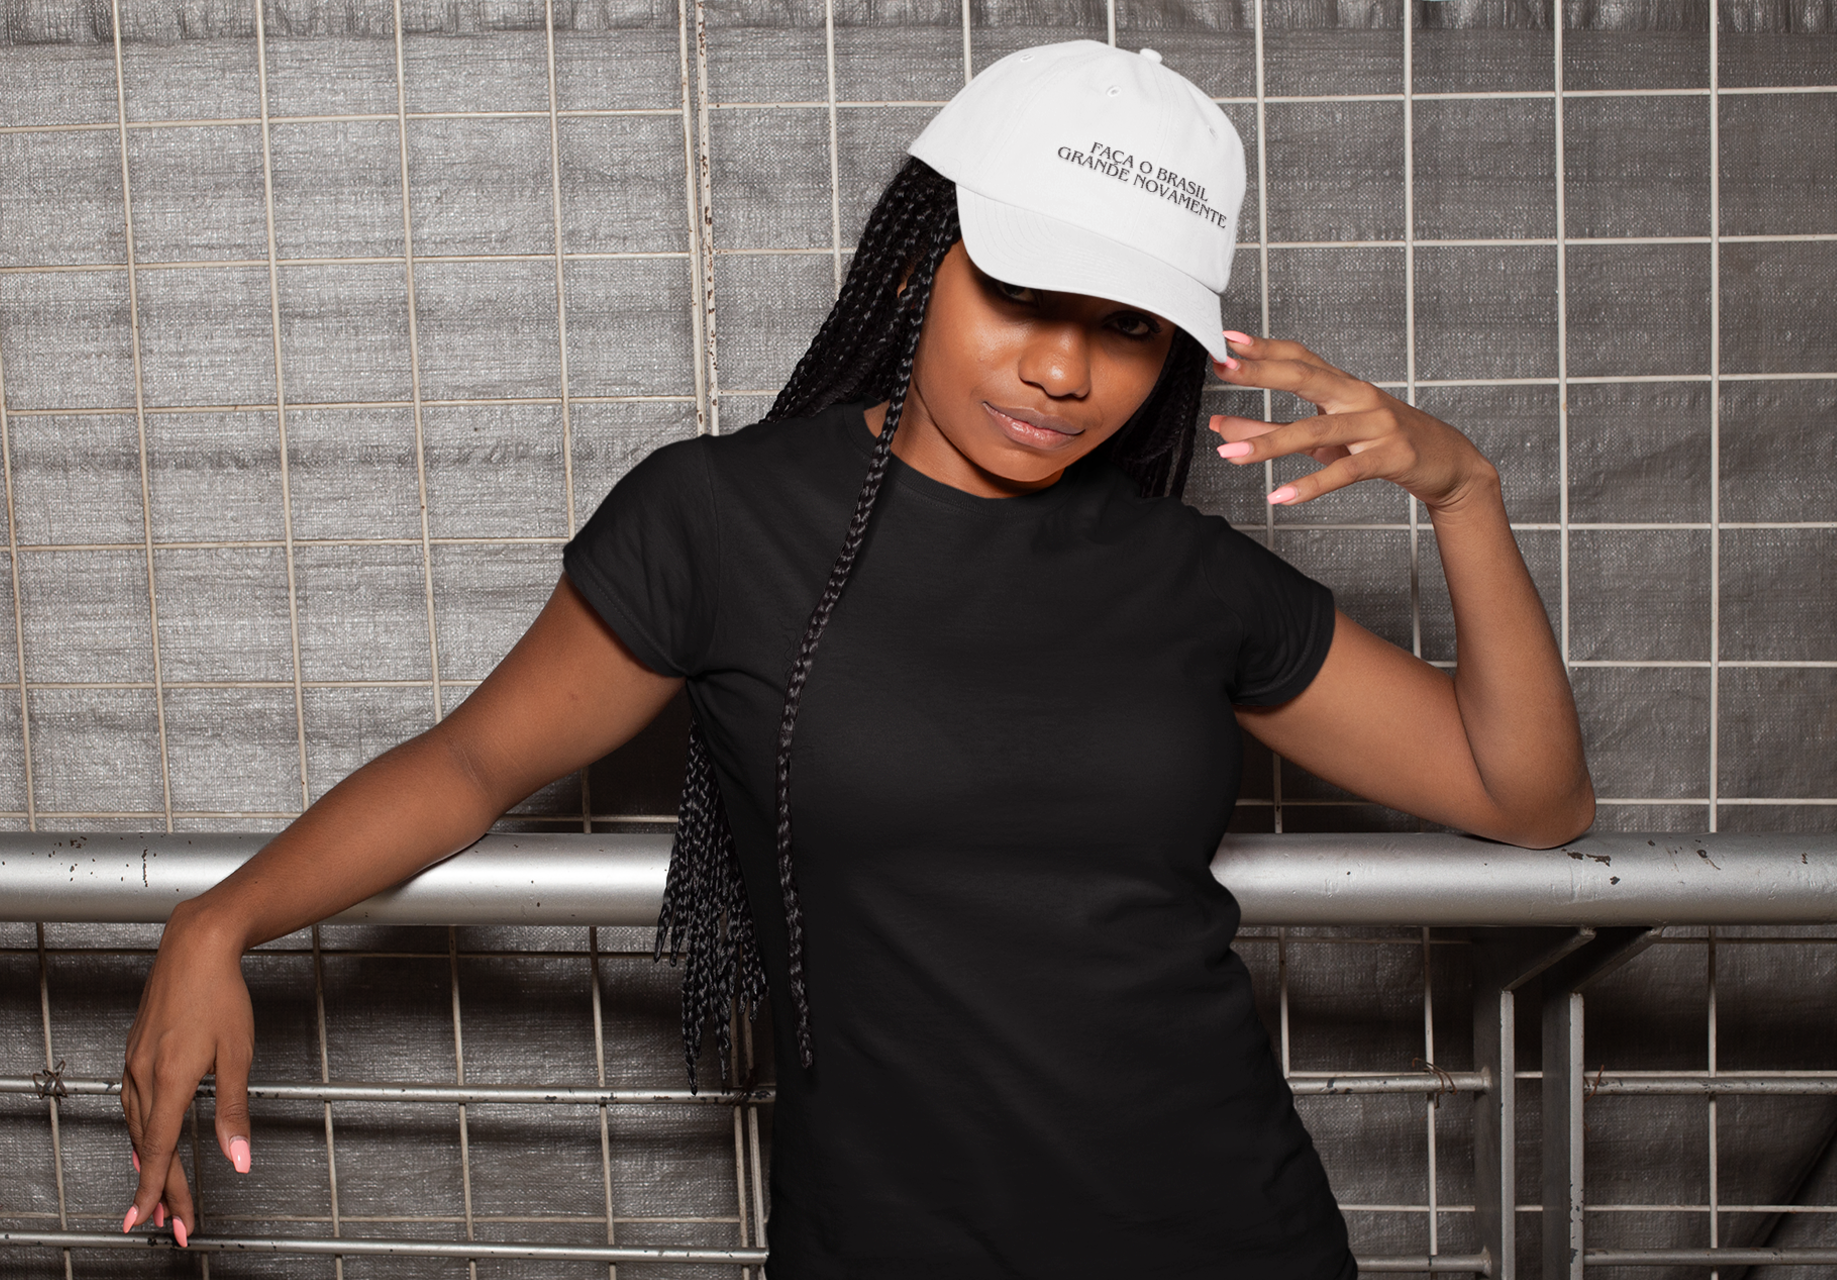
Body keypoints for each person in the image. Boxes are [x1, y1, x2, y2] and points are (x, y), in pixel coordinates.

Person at [119, 40, 1593, 1277]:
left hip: (1227, 1231)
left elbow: (1527, 795)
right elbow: (469, 763)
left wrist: (1466, 494)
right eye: (1021, 293)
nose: (1064, 371)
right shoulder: (719, 523)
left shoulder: (1192, 579)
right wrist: (219, 921)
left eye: (1127, 329)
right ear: (914, 264)